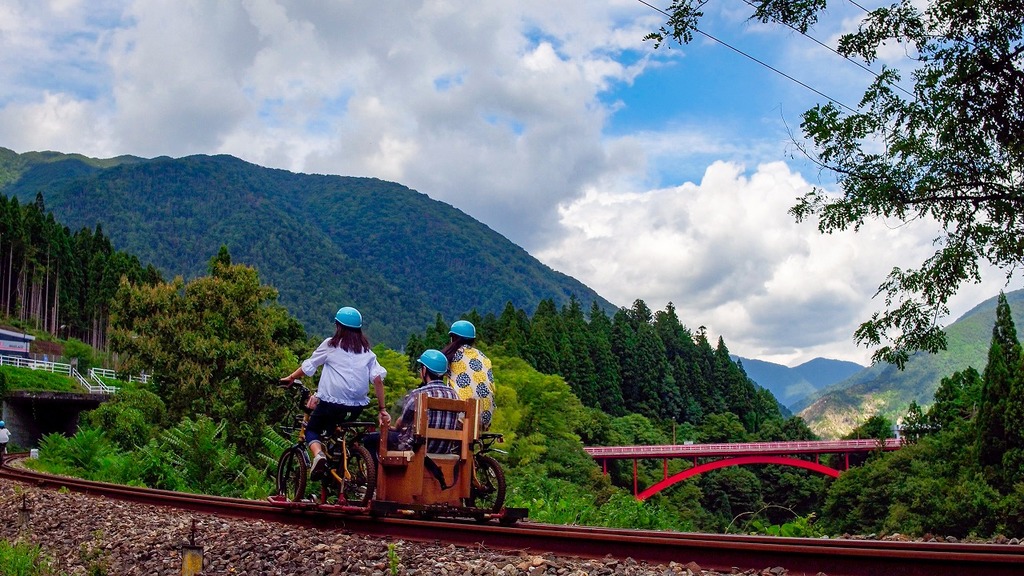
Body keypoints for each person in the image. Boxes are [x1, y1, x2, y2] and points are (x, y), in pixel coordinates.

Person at [282, 306, 389, 479]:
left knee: (312, 430)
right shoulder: (367, 352)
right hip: (355, 408)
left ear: (338, 326)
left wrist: (291, 377)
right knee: (335, 430)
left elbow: (310, 365)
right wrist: (382, 409)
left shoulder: (330, 345)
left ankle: (319, 456)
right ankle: (337, 458)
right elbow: (377, 379)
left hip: (331, 405)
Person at [364, 349, 460, 464]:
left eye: (421, 368)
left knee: (371, 439)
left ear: (424, 370)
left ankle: (376, 480)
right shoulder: (454, 394)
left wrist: (396, 427)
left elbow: (404, 420)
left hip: (417, 448)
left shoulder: (418, 394)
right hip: (444, 449)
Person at [441, 320, 496, 431]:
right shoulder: (484, 357)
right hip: (484, 419)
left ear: (453, 338)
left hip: (461, 417)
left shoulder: (451, 355)